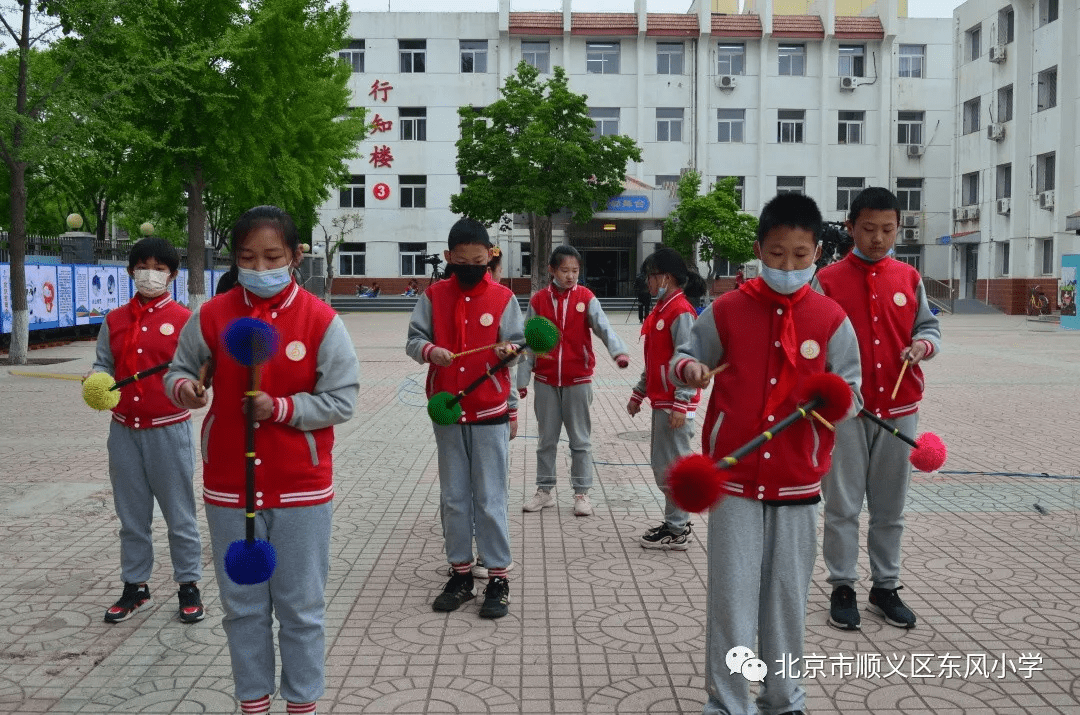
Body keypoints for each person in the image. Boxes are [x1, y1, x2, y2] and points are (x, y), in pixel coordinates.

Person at [165, 205, 360, 715]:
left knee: (301, 609)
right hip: (230, 486)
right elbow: (179, 372)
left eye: (273, 256)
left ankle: (302, 705)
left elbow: (343, 399)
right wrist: (186, 390)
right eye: (248, 258)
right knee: (243, 608)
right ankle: (253, 703)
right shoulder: (210, 315)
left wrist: (283, 408)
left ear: (296, 256)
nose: (260, 267)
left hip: (301, 487)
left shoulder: (320, 320)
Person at [673, 193, 863, 715]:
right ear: (759, 249)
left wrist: (834, 401)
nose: (788, 266)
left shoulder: (830, 318)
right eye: (777, 254)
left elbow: (853, 392)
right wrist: (689, 370)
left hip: (798, 481)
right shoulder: (728, 310)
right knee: (731, 603)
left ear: (817, 253)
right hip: (732, 482)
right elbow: (687, 356)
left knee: (785, 602)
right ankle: (728, 702)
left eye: (801, 255)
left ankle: (783, 699)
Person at [813, 186, 941, 632]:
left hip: (900, 409)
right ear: (850, 228)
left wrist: (922, 346)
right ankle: (842, 586)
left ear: (898, 228)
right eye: (868, 229)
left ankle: (885, 586)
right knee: (843, 505)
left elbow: (929, 327)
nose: (878, 238)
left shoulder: (909, 278)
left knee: (890, 507)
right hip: (846, 413)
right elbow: (809, 343)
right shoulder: (825, 281)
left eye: (888, 229)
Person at [406, 217, 524, 619]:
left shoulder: (504, 298)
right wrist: (429, 352)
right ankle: (459, 574)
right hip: (448, 410)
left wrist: (512, 402)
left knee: (490, 498)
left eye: (480, 259)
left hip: (490, 410)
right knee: (454, 498)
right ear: (448, 258)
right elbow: (413, 339)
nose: (472, 266)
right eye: (463, 260)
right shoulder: (433, 295)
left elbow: (518, 347)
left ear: (489, 256)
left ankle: (497, 577)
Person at [89, 237, 204, 625]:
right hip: (123, 432)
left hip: (168, 431)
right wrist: (96, 380)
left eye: (159, 267)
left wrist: (193, 389)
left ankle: (188, 584)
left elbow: (196, 371)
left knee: (180, 515)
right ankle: (135, 586)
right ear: (130, 271)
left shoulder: (186, 320)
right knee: (131, 517)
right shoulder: (115, 320)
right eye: (143, 266)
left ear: (172, 274)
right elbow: (103, 362)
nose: (150, 274)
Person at [518, 245, 630, 517]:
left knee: (580, 440)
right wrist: (521, 380)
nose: (570, 276)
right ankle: (544, 491)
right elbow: (529, 342)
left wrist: (619, 351)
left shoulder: (586, 297)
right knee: (546, 440)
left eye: (575, 271)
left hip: (578, 380)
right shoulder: (538, 301)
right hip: (545, 380)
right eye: (565, 270)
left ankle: (582, 493)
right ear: (552, 270)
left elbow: (604, 326)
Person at [627, 247, 705, 550]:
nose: (647, 282)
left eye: (651, 276)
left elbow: (689, 358)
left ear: (666, 277)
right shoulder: (662, 309)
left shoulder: (680, 312)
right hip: (663, 401)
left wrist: (681, 403)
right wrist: (639, 393)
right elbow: (656, 360)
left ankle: (677, 528)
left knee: (670, 467)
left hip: (674, 404)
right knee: (664, 466)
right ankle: (676, 521)